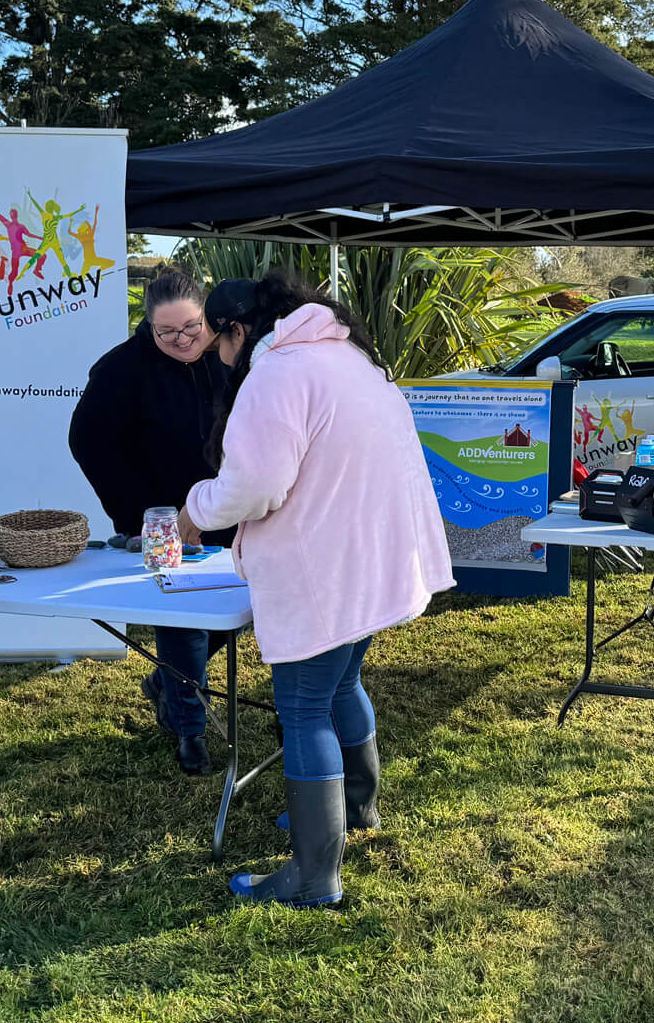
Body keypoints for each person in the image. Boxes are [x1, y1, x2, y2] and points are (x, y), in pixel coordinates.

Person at [180, 271, 453, 907]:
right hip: (374, 561)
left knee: (304, 707)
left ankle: (313, 874)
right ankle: (356, 809)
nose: (220, 359)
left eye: (218, 344)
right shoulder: (346, 355)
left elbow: (256, 486)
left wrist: (196, 510)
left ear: (237, 330)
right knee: (341, 686)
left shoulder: (277, 372)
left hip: (327, 571)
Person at [69, 269, 233, 775]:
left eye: (193, 328)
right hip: (162, 518)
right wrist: (137, 512)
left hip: (228, 506)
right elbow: (88, 442)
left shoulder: (230, 356)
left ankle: (166, 681)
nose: (184, 341)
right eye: (168, 334)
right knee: (182, 623)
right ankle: (191, 732)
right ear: (148, 328)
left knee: (234, 611)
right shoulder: (120, 369)